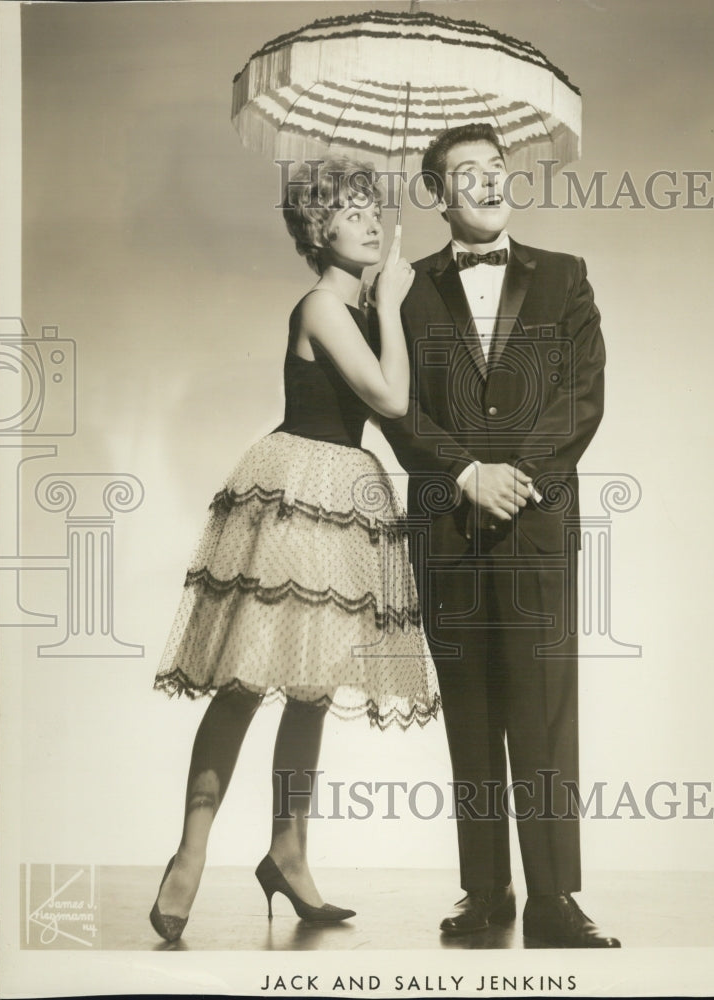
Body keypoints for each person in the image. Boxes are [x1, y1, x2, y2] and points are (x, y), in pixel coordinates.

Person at [149, 158, 438, 943]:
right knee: (245, 681)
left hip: (345, 491)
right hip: (297, 488)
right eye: (349, 213)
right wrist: (394, 305)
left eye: (371, 209)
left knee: (311, 686)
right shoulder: (320, 305)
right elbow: (391, 399)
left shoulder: (361, 304)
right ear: (318, 230)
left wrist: (390, 306)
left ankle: (288, 851)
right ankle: (189, 855)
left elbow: (394, 412)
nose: (371, 221)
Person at [380, 124, 619, 947]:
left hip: (538, 525)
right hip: (448, 526)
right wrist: (464, 475)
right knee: (471, 712)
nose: (487, 183)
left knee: (545, 710)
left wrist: (512, 474)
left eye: (496, 169)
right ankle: (486, 890)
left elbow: (582, 394)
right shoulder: (402, 291)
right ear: (436, 195)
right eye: (466, 174)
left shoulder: (564, 276)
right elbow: (394, 408)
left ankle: (554, 899)